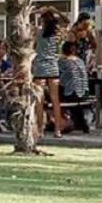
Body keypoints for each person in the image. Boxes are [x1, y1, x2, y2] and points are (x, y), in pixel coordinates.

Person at [31, 10, 66, 138]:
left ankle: (40, 129)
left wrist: (35, 10)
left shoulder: (38, 32)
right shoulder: (57, 34)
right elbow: (65, 21)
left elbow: (32, 44)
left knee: (39, 99)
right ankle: (57, 130)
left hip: (40, 66)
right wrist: (57, 11)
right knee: (55, 100)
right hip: (52, 67)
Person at [58, 40, 91, 133]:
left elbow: (60, 80)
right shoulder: (80, 61)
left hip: (73, 94)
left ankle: (60, 121)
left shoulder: (63, 62)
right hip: (85, 93)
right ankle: (79, 123)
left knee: (51, 97)